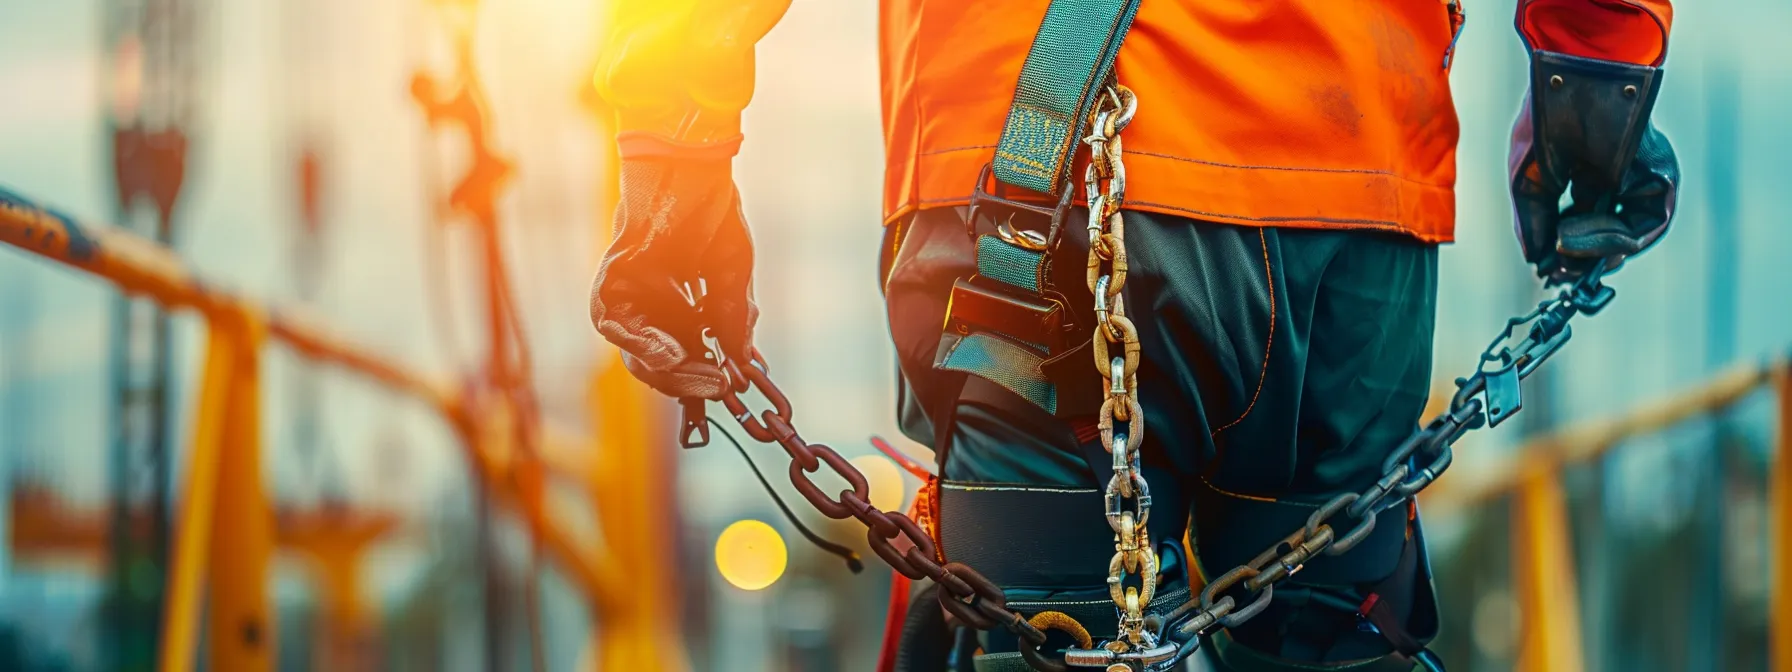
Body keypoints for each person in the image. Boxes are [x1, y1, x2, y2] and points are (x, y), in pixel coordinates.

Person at [587, 1, 1679, 670]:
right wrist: (1595, 69)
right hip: (1347, 173)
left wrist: (672, 125)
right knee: (1328, 631)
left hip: (1019, 178)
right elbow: (1593, 50)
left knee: (1048, 634)